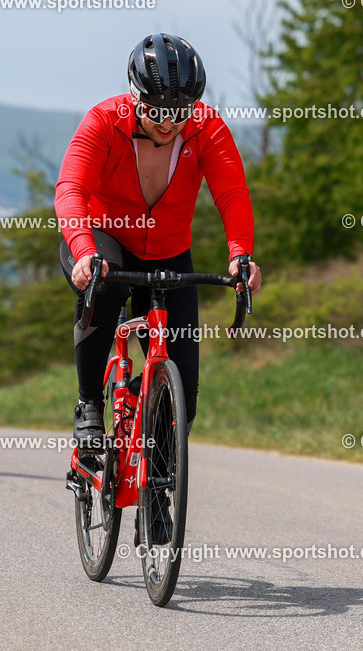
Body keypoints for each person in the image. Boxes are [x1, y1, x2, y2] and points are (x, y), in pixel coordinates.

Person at [56, 32, 262, 451]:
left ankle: (159, 501)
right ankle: (90, 404)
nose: (168, 123)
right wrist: (83, 250)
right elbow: (70, 189)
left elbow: (232, 194)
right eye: (155, 111)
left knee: (183, 398)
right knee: (106, 288)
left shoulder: (207, 127)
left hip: (168, 251)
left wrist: (241, 254)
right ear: (134, 98)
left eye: (179, 112)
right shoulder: (103, 122)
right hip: (102, 238)